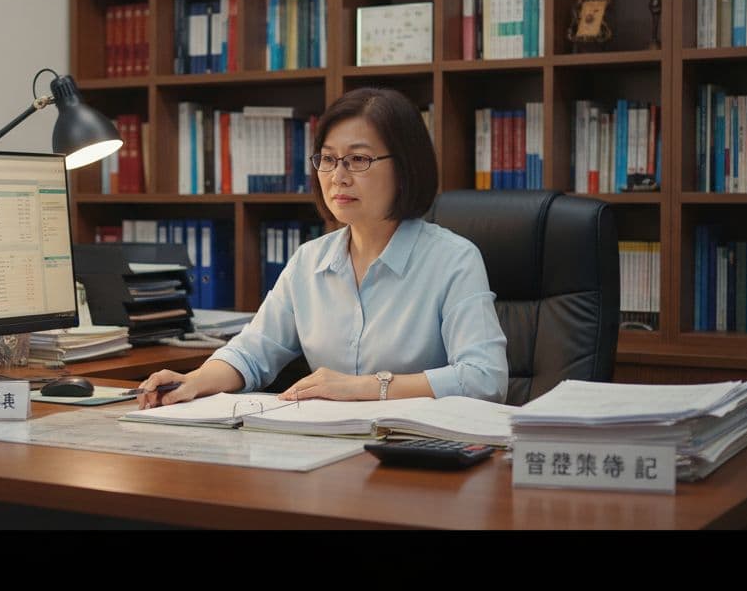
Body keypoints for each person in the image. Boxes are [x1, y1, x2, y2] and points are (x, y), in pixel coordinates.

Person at [137, 87, 508, 409]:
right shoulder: (309, 261)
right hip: (327, 450)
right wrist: (194, 381)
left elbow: (484, 380)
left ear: (405, 168)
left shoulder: (452, 260)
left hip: (413, 454)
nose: (338, 176)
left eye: (358, 160)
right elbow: (252, 352)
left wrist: (363, 388)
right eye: (327, 159)